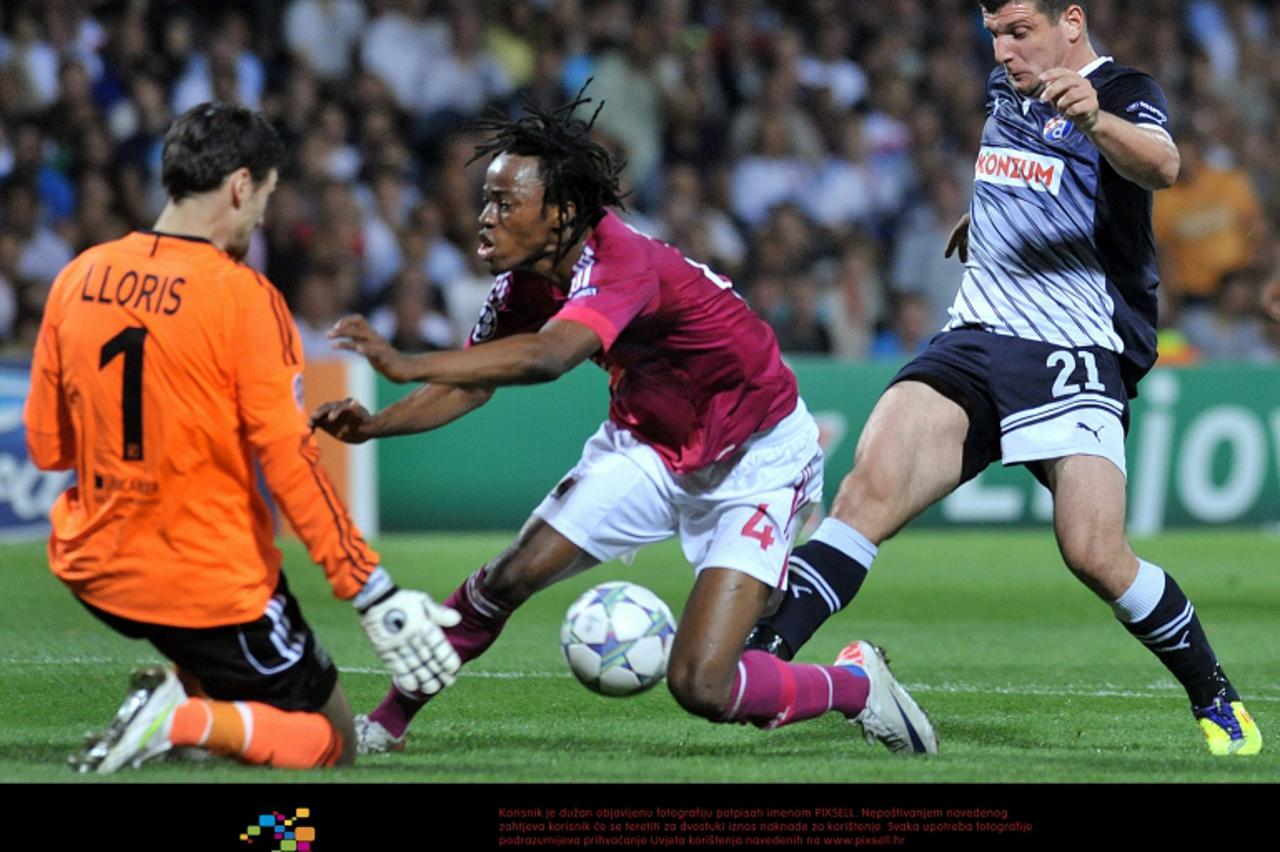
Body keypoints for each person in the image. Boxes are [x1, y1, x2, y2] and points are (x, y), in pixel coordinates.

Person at [311, 94, 938, 755]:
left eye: (503, 203)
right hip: (649, 444)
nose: (484, 219)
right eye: (486, 200)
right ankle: (387, 723)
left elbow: (550, 358)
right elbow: (472, 383)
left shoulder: (621, 261)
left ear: (560, 214)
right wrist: (378, 424)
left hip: (758, 458)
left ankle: (855, 684)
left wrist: (404, 362)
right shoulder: (525, 285)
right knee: (510, 575)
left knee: (702, 684)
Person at [746, 0, 1262, 757]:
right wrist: (982, 215)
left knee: (1094, 553)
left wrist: (1094, 119)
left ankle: (1214, 694)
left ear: (1072, 22)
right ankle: (760, 663)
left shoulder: (1121, 90)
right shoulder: (1009, 88)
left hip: (1074, 343)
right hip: (977, 335)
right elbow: (1026, 168)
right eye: (993, 34)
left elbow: (1161, 164)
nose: (1003, 50)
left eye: (1019, 32)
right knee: (863, 496)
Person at [23, 102, 462, 773]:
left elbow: (48, 446)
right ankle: (184, 719)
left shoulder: (78, 275)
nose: (263, 216)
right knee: (330, 743)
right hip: (205, 580)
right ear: (239, 186)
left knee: (234, 717)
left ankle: (194, 719)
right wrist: (370, 590)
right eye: (267, 196)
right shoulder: (244, 297)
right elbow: (290, 464)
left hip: (96, 565)